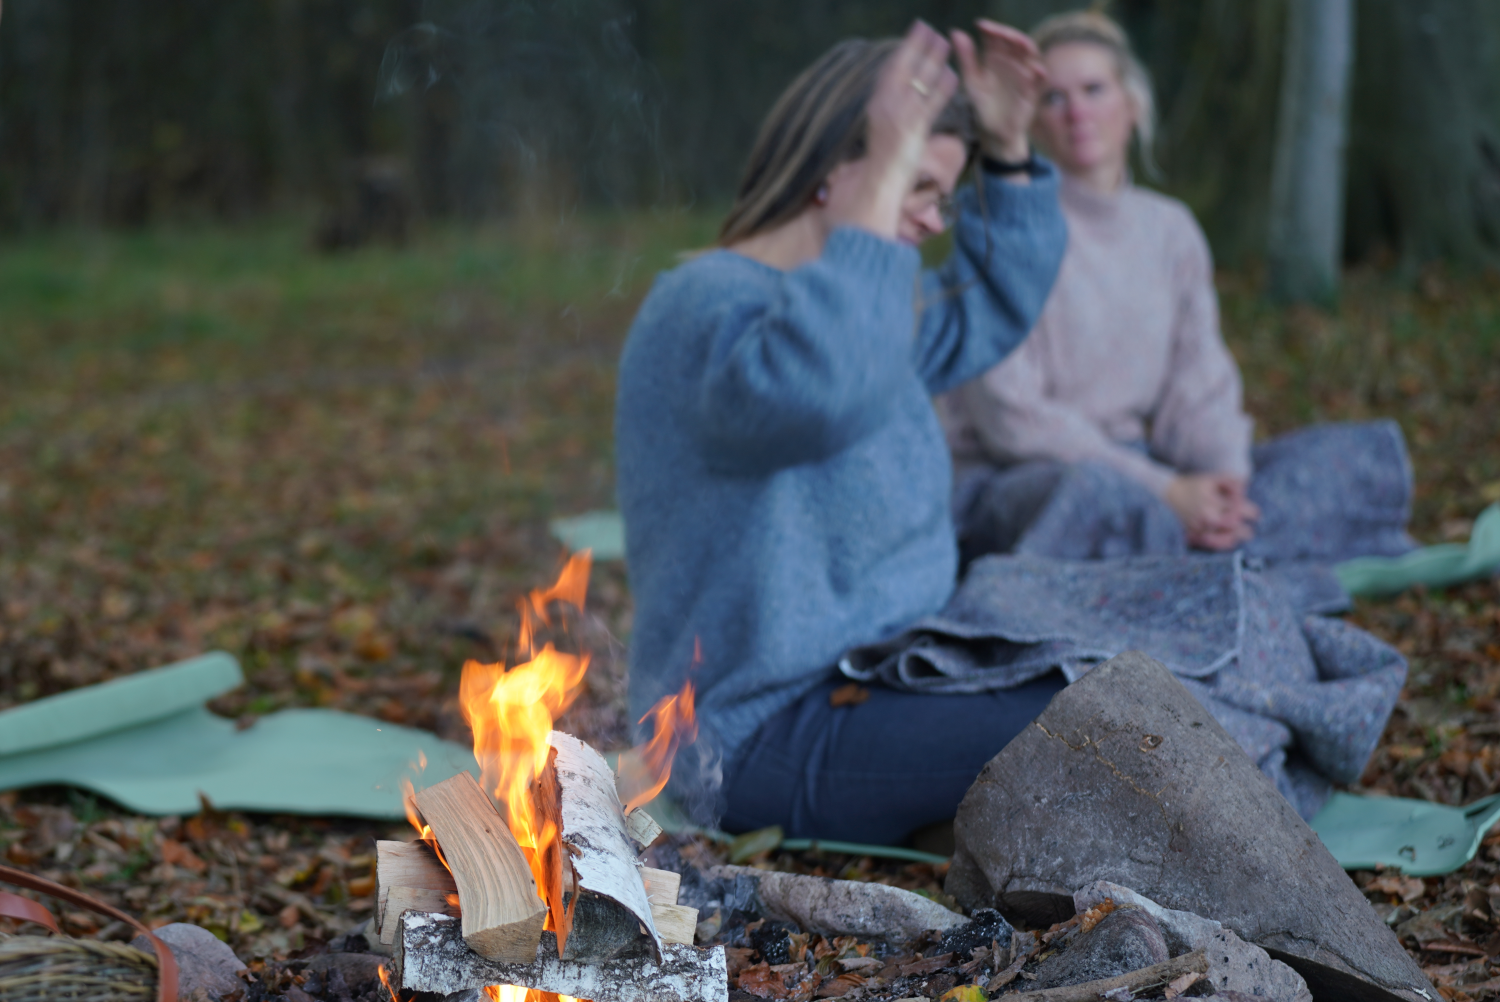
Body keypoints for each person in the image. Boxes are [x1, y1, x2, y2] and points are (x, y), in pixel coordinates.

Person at [614, 20, 1070, 845]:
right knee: (1099, 718)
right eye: (917, 186)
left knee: (1137, 667)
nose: (934, 220)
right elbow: (817, 392)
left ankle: (952, 816)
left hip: (892, 670)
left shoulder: (861, 309)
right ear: (834, 169)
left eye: (943, 195)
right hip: (757, 730)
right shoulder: (706, 306)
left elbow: (989, 301)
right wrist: (878, 200)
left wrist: (1006, 147)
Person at [938, 10, 1415, 572]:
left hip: (1148, 470)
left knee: (1351, 459)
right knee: (1097, 502)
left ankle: (1203, 551)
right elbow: (1010, 421)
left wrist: (1223, 476)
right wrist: (1164, 491)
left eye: (1094, 90)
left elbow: (1198, 372)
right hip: (1028, 478)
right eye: (1054, 98)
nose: (1078, 114)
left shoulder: (1170, 230)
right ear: (1030, 120)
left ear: (1133, 105)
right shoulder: (1003, 229)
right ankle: (1210, 563)